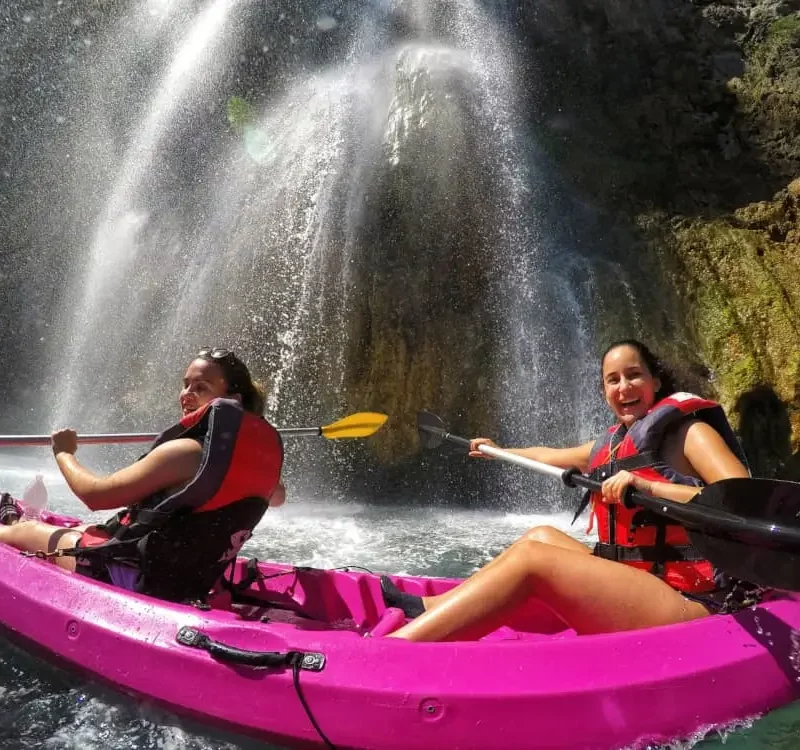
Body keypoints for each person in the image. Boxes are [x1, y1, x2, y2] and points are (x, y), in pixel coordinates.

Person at [381, 339, 764, 642]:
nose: (624, 387)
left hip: (693, 598)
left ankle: (396, 650)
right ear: (604, 391)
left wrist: (647, 486)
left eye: (634, 375)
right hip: (636, 580)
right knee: (540, 536)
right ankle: (431, 607)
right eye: (613, 380)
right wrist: (496, 450)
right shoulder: (612, 443)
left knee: (534, 559)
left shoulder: (690, 434)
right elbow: (550, 456)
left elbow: (744, 504)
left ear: (656, 382)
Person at [0, 347, 285, 603]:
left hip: (138, 579)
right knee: (78, 532)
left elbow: (96, 495)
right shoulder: (265, 466)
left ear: (232, 399)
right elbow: (277, 497)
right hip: (190, 582)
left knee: (27, 532)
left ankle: (12, 527)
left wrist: (63, 452)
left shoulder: (186, 453)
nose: (187, 394)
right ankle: (12, 518)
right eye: (185, 385)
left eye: (201, 387)